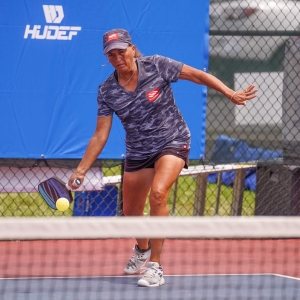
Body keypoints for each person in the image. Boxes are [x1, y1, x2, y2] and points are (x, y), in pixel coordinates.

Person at [68, 28, 257, 287]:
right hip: (138, 150)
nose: (117, 58)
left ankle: (155, 266)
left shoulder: (157, 66)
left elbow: (198, 75)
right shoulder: (107, 91)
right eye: (111, 55)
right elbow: (100, 135)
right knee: (131, 211)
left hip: (173, 140)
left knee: (158, 193)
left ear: (132, 49)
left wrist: (229, 93)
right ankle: (143, 248)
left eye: (121, 51)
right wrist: (80, 170)